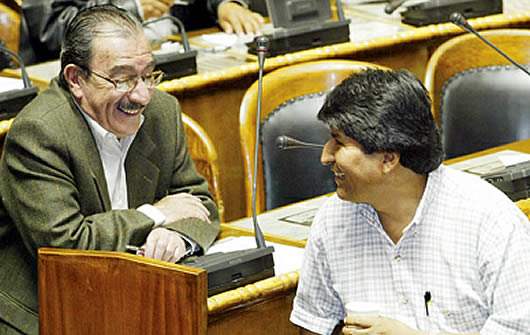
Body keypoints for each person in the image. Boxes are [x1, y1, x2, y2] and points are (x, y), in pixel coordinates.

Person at [0, 5, 219, 334]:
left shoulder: (161, 112)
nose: (142, 94)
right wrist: (155, 216)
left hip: (135, 296)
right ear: (76, 79)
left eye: (148, 75)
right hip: (50, 311)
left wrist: (176, 235)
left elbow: (199, 202)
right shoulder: (40, 132)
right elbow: (66, 247)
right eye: (124, 79)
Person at [289, 68, 530, 335]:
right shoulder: (332, 220)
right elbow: (313, 325)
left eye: (339, 143)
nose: (325, 157)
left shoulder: (490, 221)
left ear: (389, 158)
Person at [19, 0, 264, 65]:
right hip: (92, 74)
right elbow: (50, 31)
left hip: (178, 56)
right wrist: (131, 9)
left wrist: (224, 4)